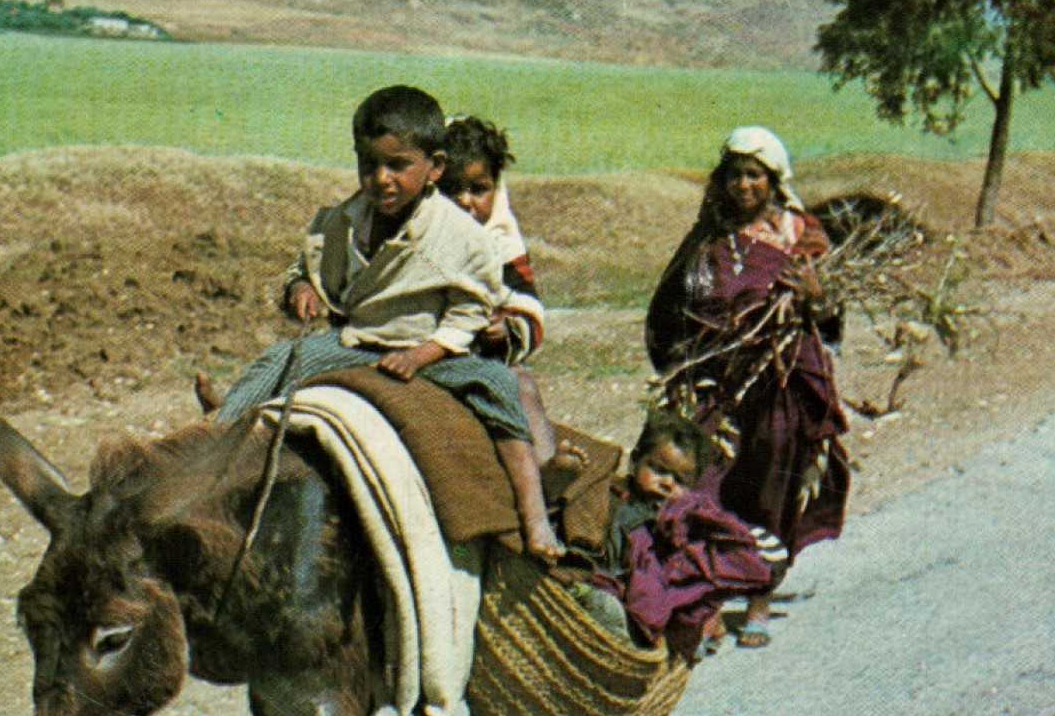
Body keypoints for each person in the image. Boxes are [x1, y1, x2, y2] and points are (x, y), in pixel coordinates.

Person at [209, 85, 566, 563]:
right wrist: (304, 289)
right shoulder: (345, 219)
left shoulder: (460, 236)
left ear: (434, 168)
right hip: (357, 342)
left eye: (398, 165)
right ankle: (219, 428)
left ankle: (535, 513)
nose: (381, 179)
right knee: (283, 358)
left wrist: (423, 354)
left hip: (431, 348)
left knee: (500, 384)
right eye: (368, 164)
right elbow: (311, 265)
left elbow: (469, 312)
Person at [644, 126, 851, 648]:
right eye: (734, 175)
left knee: (774, 483)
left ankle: (759, 597)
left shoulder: (800, 234)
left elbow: (830, 320)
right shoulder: (707, 236)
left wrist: (814, 295)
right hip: (717, 377)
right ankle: (705, 601)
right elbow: (674, 302)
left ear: (774, 179)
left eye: (754, 174)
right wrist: (680, 360)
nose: (743, 185)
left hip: (782, 377)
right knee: (705, 481)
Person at [574, 408, 780, 659]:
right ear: (635, 460)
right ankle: (610, 615)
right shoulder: (616, 495)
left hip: (653, 582)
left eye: (679, 480)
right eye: (658, 469)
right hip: (615, 574)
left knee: (669, 591)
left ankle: (667, 630)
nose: (668, 483)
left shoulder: (681, 512)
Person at [437, 114, 563, 464]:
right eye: (451, 190)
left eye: (478, 189)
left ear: (496, 187)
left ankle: (548, 471)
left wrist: (507, 328)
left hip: (479, 359)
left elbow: (525, 300)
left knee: (521, 386)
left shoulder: (499, 242)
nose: (465, 201)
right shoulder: (420, 236)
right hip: (425, 352)